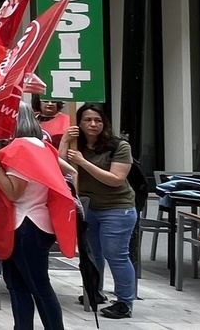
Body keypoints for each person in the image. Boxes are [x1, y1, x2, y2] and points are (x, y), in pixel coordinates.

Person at [0, 109, 77, 330]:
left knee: (34, 286)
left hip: (25, 224)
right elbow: (71, 171)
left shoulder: (20, 148)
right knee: (20, 285)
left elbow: (14, 192)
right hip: (34, 223)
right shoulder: (42, 146)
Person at [60, 103, 136, 320]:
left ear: (104, 123)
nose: (93, 124)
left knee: (116, 254)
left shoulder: (119, 146)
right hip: (89, 207)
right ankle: (94, 291)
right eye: (87, 120)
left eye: (98, 120)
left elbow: (116, 180)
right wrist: (65, 141)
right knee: (93, 254)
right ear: (79, 122)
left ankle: (124, 302)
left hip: (117, 208)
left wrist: (83, 162)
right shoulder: (76, 144)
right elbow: (59, 166)